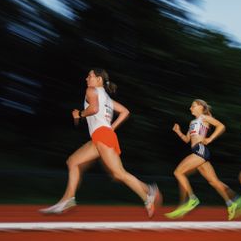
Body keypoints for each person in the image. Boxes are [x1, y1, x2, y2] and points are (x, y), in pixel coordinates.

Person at [40, 68, 161, 217]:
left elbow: (94, 108)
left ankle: (148, 194)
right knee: (73, 161)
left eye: (90, 76)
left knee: (119, 174)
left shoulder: (91, 90)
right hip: (102, 136)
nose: (86, 79)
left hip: (102, 136)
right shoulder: (107, 99)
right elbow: (125, 112)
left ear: (99, 80)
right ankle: (68, 199)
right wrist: (111, 128)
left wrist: (80, 114)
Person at [165, 99, 241, 220]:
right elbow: (187, 140)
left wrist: (210, 139)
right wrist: (178, 132)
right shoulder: (192, 122)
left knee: (178, 172)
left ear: (201, 107)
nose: (190, 108)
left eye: (193, 106)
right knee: (214, 181)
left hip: (200, 150)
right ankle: (233, 202)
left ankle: (191, 199)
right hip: (197, 151)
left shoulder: (204, 118)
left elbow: (221, 126)